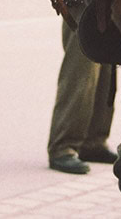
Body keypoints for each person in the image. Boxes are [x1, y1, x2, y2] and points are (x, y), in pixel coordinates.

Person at [48, 9, 117, 175]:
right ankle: (63, 147)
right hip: (83, 0)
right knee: (80, 74)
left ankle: (92, 142)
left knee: (106, 71)